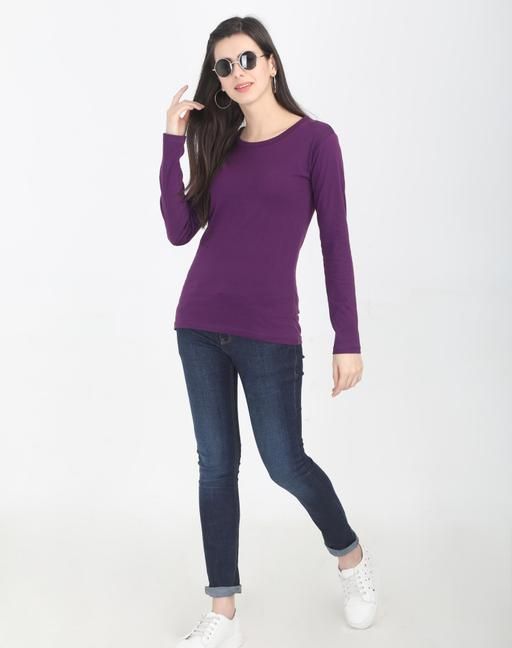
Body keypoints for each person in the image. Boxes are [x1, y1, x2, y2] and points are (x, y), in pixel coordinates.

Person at [159, 15, 378, 648]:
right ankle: (223, 610)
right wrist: (173, 143)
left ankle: (351, 558)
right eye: (224, 66)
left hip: (269, 333)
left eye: (247, 59)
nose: (237, 73)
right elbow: (179, 230)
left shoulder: (316, 141)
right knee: (215, 467)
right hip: (199, 323)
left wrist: (347, 338)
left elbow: (335, 245)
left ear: (272, 62)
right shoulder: (220, 143)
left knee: (285, 461)